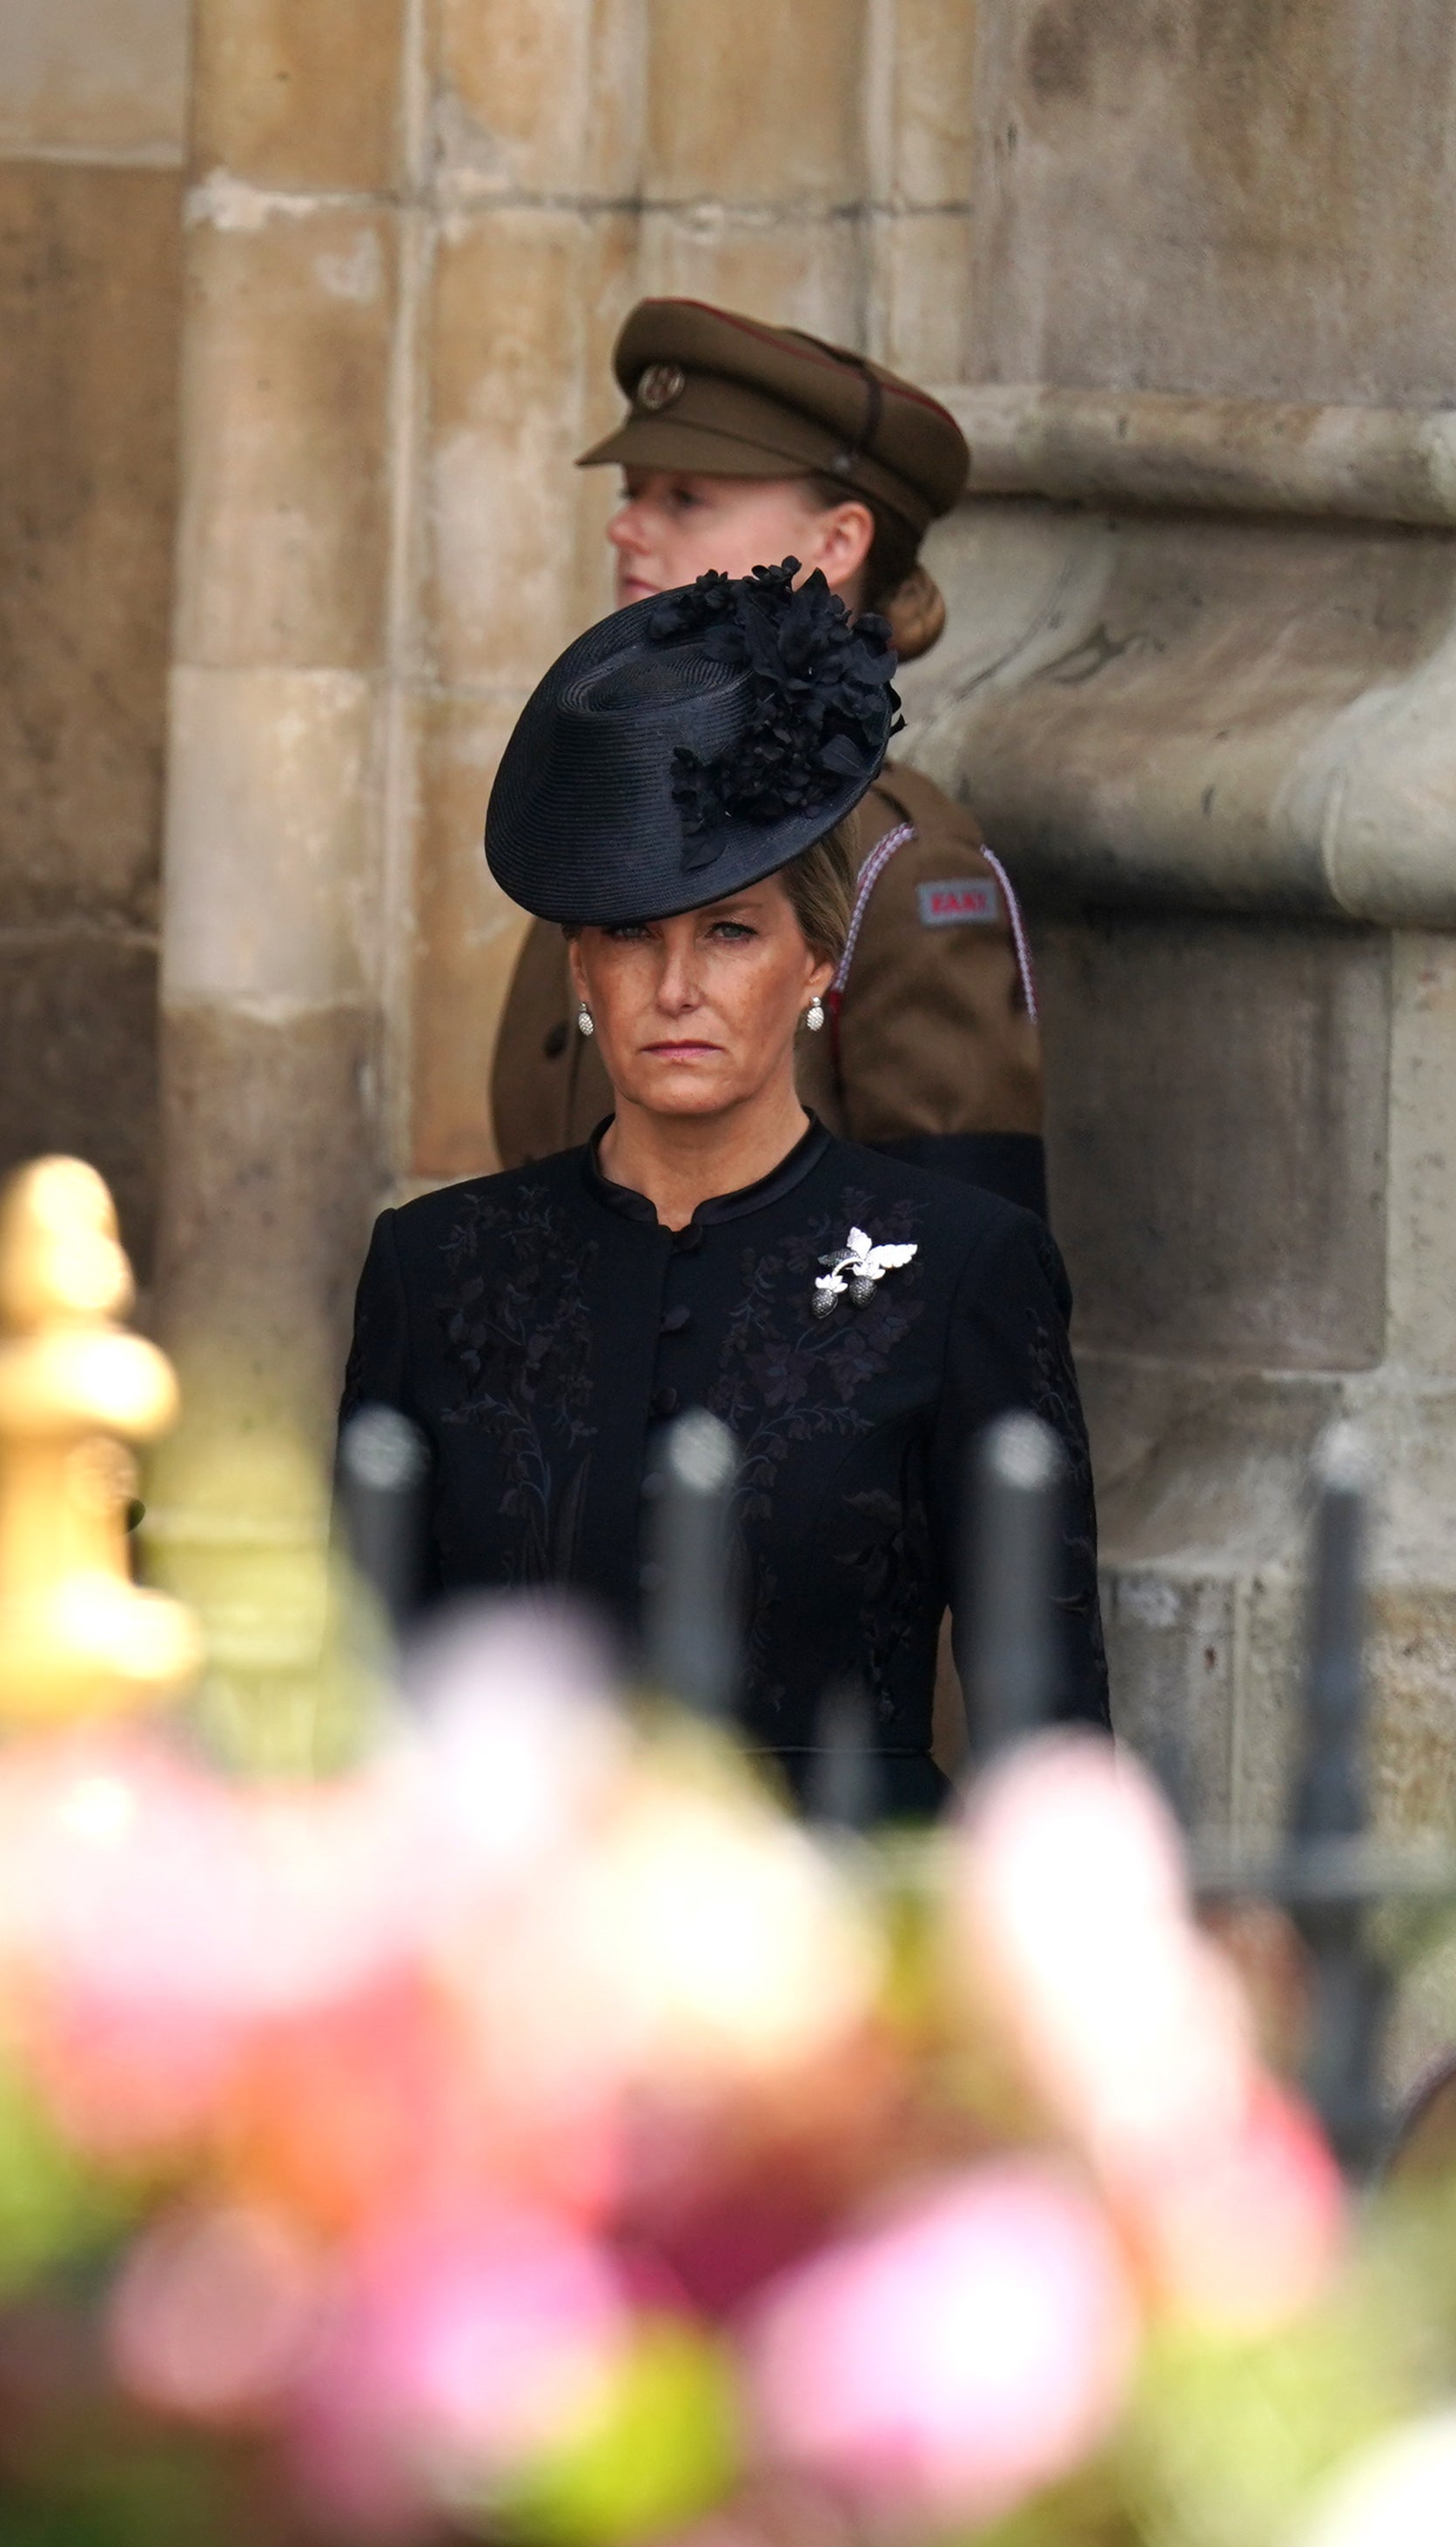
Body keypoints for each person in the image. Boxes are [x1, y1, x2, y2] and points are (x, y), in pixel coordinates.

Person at [346, 565, 1104, 1817]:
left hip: (842, 1955)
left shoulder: (965, 1270)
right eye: (635, 937)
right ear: (581, 972)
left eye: (730, 934)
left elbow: (1053, 1740)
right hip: (516, 1953)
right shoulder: (438, 1270)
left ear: (816, 960)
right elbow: (366, 1699)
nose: (678, 988)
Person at [484, 301, 1050, 1225]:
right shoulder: (606, 819)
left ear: (837, 544)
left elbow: (965, 1282)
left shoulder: (902, 866)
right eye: (632, 493)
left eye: (685, 499)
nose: (626, 529)